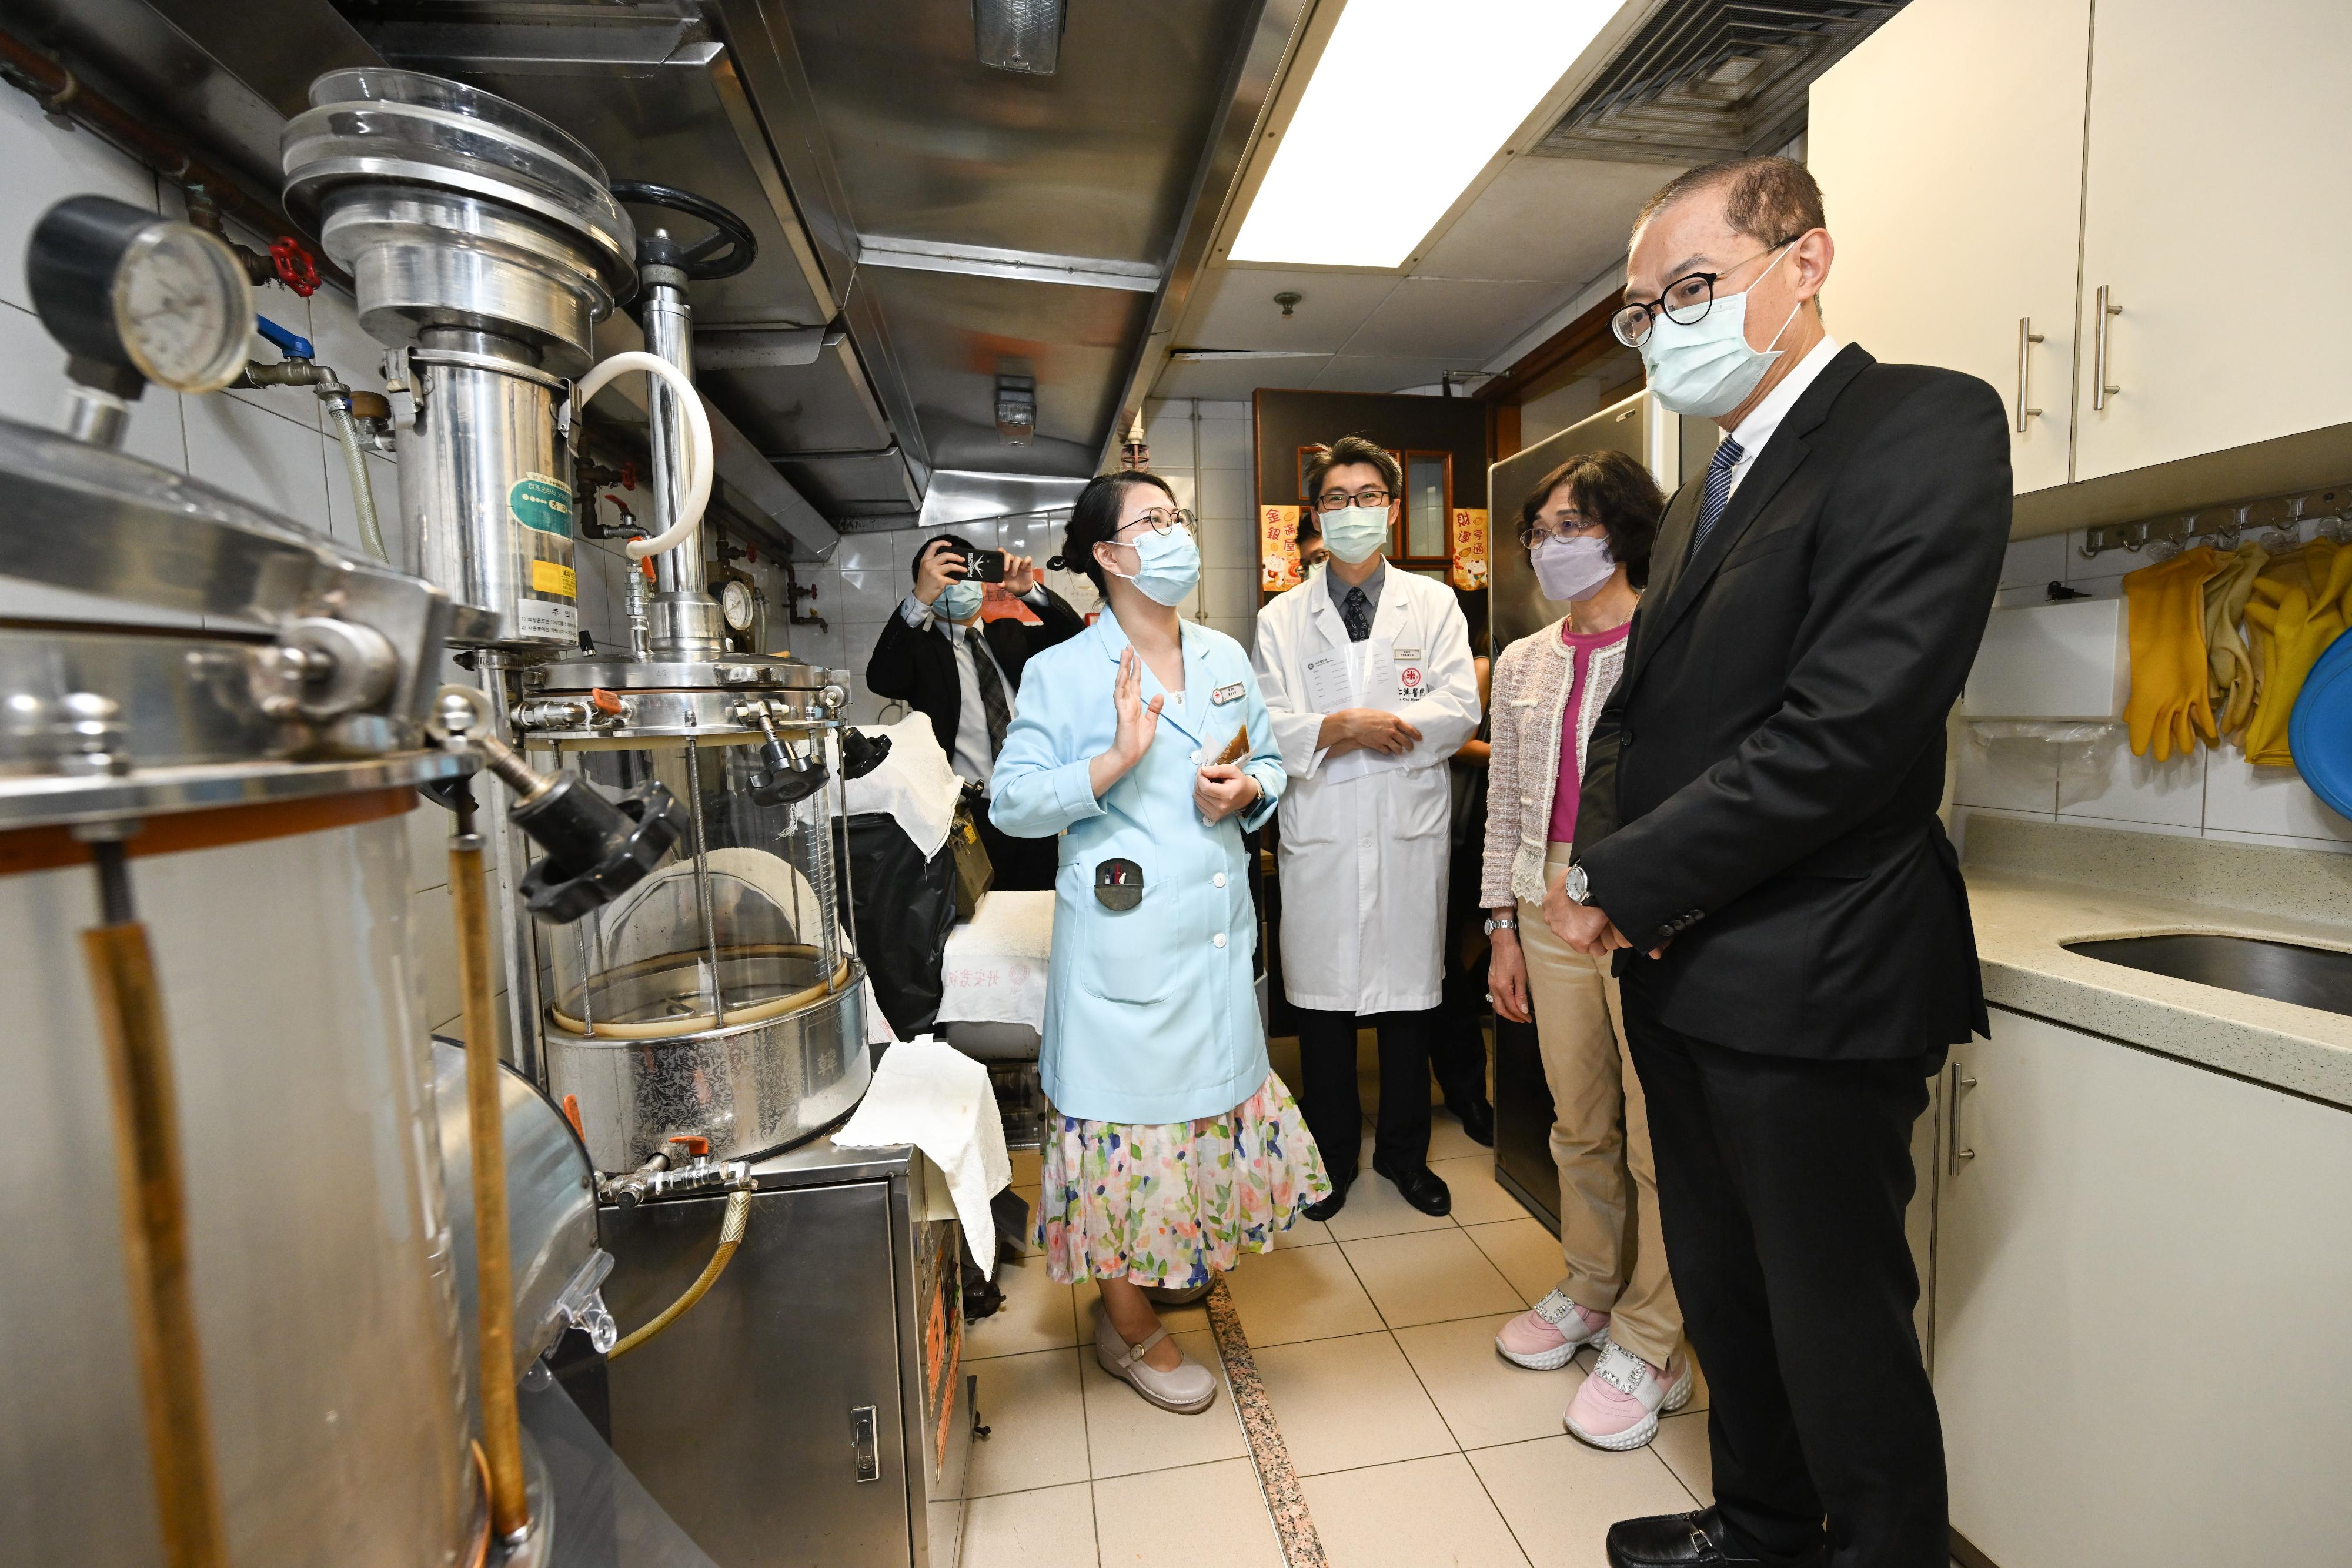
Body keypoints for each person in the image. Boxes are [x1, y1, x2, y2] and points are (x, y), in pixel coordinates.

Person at [1561, 158, 2010, 1568]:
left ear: (1804, 262)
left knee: (1835, 1322)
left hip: (1820, 966)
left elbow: (1842, 736)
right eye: (1646, 310)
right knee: (1727, 1289)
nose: (1666, 326)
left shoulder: (1921, 424)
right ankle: (1757, 1527)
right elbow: (1640, 717)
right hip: (1685, 965)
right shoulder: (1704, 496)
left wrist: (1619, 881)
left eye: (1688, 290)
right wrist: (1601, 861)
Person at [991, 470, 1329, 1415]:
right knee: (1125, 1138)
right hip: (1125, 953)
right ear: (1107, 554)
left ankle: (1160, 1267)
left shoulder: (1222, 652)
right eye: (1156, 521)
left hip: (1216, 946)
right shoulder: (1062, 671)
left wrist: (1250, 790)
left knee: (1194, 1130)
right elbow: (1013, 802)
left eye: (1181, 516)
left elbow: (1267, 758)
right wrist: (1113, 761)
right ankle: (1127, 1322)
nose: (1177, 533)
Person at [1482, 451, 1688, 1452]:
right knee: (1579, 1121)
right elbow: (1505, 809)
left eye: (1576, 524)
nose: (1554, 545)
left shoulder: (1671, 642)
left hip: (1641, 907)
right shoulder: (1522, 661)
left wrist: (1629, 896)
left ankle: (1655, 1334)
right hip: (1540, 901)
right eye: (1543, 529)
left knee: (1660, 1136)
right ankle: (1593, 1287)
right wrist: (1500, 930)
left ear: (1624, 531)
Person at [1252, 435, 1481, 1220]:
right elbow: (1268, 723)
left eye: (1366, 496)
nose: (1352, 512)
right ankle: (1331, 1158)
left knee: (1410, 1007)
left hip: (1406, 829)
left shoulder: (1434, 603)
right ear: (1315, 512)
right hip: (1321, 833)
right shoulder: (1283, 617)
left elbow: (1460, 709)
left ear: (1390, 505)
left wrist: (1389, 726)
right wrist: (1342, 727)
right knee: (1321, 1016)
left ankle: (1406, 1157)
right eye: (1335, 500)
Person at [866, 533, 1085, 891]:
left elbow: (1076, 638)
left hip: (1032, 802)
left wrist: (1029, 592)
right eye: (947, 575)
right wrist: (919, 599)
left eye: (966, 572)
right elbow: (880, 677)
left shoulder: (1011, 635)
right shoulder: (921, 651)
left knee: (1039, 912)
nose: (960, 584)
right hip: (964, 814)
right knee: (977, 925)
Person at [1429, 587, 1496, 1145]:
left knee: (1455, 958)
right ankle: (1466, 1088)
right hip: (1463, 827)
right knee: (1448, 958)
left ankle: (1468, 1086)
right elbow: (1458, 741)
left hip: (1486, 828)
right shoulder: (1482, 665)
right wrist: (1520, 749)